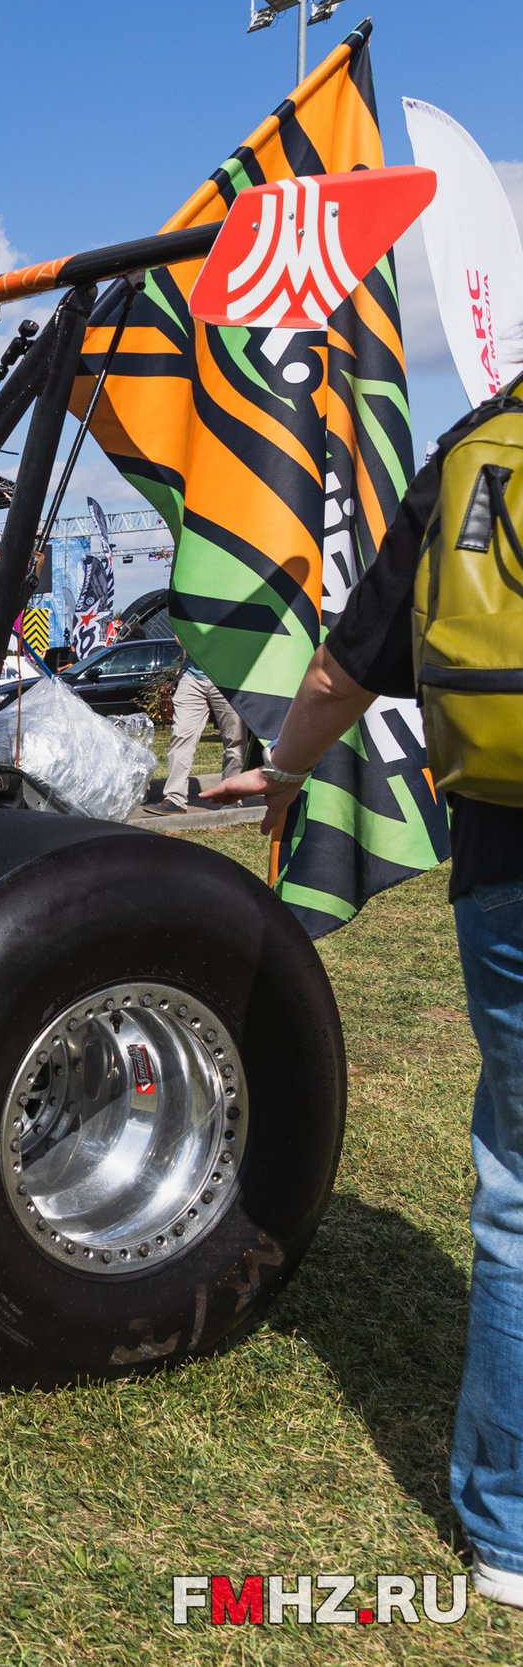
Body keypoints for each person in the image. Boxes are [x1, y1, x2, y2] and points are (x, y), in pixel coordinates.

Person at [202, 398, 523, 1609]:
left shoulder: (478, 445)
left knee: (521, 1192)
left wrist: (283, 765)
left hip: (513, 855)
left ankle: (507, 1536)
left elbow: (346, 665)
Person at [149, 659, 250, 816]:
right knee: (181, 736)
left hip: (229, 677)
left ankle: (233, 798)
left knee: (234, 740)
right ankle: (175, 799)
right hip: (192, 676)